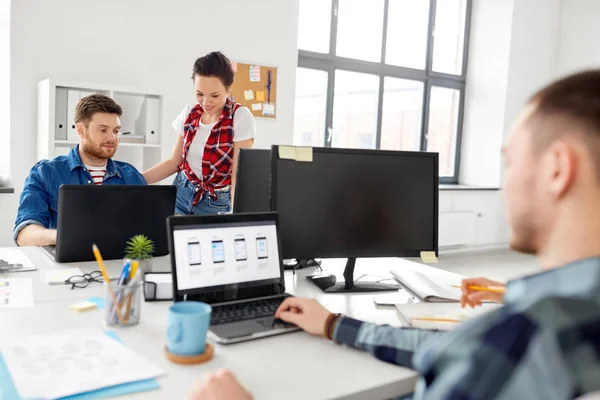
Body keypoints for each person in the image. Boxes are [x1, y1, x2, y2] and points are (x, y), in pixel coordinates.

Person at [188, 70, 600, 399]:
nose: (505, 185)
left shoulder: (527, 338)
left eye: (510, 163)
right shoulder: (556, 321)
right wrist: (336, 325)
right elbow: (459, 350)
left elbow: (485, 351)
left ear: (557, 168)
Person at [14, 94, 146, 247]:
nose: (112, 138)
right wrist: (63, 235)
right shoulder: (45, 173)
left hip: (121, 264)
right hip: (69, 267)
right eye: (103, 130)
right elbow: (24, 235)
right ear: (81, 131)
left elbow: (148, 226)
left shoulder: (131, 175)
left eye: (116, 131)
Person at [143, 51, 256, 215]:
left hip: (214, 204)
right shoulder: (189, 113)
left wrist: (237, 216)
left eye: (214, 95)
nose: (206, 102)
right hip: (180, 193)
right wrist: (134, 181)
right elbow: (174, 162)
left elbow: (237, 177)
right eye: (200, 94)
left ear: (228, 89)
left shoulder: (240, 117)